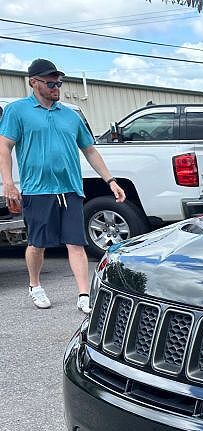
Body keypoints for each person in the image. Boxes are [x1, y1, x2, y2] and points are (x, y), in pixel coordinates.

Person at [0, 58, 126, 313]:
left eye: (59, 82)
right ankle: (35, 285)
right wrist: (9, 183)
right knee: (37, 243)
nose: (56, 86)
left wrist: (110, 180)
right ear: (33, 83)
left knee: (75, 242)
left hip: (70, 189)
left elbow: (90, 150)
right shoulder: (17, 111)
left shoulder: (70, 115)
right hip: (38, 189)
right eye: (50, 82)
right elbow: (4, 146)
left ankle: (83, 295)